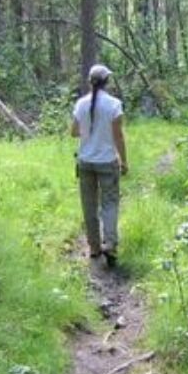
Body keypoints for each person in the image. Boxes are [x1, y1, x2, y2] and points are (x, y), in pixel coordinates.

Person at [71, 64, 128, 266]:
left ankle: (94, 247)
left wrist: (90, 131)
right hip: (107, 162)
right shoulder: (114, 104)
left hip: (85, 161)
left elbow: (74, 132)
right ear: (107, 82)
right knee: (110, 204)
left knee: (89, 205)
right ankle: (110, 245)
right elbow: (118, 135)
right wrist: (124, 161)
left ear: (90, 82)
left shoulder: (81, 104)